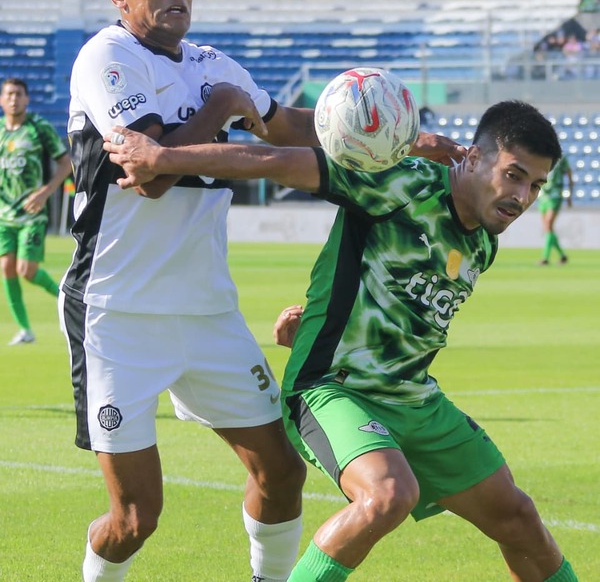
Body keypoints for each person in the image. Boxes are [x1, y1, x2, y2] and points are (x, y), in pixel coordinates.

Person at [61, 0, 463, 582]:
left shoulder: (214, 61)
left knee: (280, 472)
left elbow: (291, 127)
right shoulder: (106, 60)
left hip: (206, 312)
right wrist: (222, 107)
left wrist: (411, 140)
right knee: (137, 515)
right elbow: (154, 173)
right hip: (116, 313)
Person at [102, 99, 578, 582]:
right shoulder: (402, 183)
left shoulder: (484, 237)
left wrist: (316, 324)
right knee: (387, 495)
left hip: (414, 397)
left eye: (536, 185)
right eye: (514, 175)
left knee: (518, 518)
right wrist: (165, 159)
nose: (522, 196)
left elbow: (392, 305)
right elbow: (281, 162)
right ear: (474, 158)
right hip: (334, 389)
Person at [0, 77, 71, 345]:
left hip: (32, 213)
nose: (14, 99)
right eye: (9, 94)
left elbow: (66, 163)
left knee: (26, 270)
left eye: (19, 94)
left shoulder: (38, 128)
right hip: (4, 215)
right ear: (2, 100)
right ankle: (25, 330)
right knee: (6, 267)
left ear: (27, 99)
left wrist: (45, 192)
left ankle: (67, 300)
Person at [538, 153, 573, 265]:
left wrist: (569, 195)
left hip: (555, 195)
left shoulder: (562, 158)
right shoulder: (540, 156)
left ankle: (545, 258)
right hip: (543, 196)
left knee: (548, 224)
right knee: (548, 229)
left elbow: (569, 175)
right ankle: (562, 255)